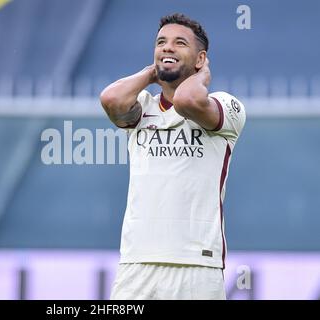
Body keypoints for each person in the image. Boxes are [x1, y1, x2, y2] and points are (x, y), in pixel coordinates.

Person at [99, 13, 246, 300]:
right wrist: (152, 72)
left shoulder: (227, 106)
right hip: (137, 263)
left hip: (198, 265)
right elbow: (110, 100)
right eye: (161, 43)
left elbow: (187, 100)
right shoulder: (140, 108)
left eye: (180, 43)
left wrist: (201, 76)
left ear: (200, 58)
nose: (167, 47)